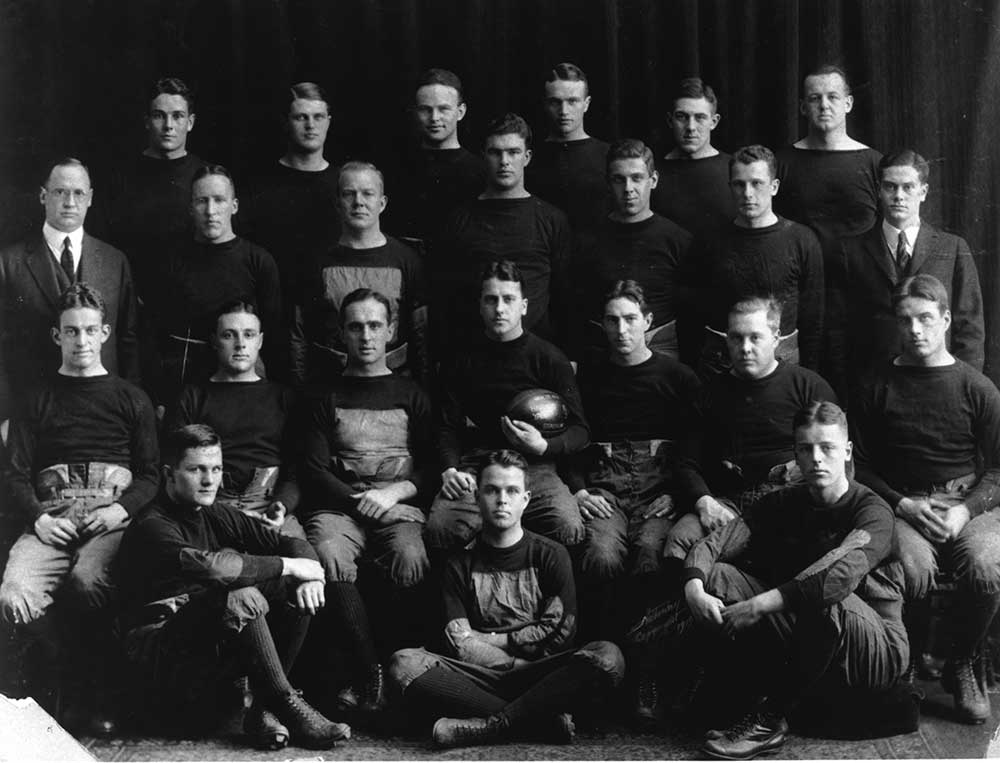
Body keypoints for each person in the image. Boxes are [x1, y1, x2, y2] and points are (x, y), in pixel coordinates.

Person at [681, 401, 907, 759]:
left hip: (877, 650)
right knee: (720, 576)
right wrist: (694, 589)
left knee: (825, 596)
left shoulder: (872, 511)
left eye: (827, 448)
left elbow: (835, 579)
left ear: (847, 451)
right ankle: (739, 692)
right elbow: (716, 544)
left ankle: (769, 722)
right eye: (806, 449)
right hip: (812, 633)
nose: (817, 458)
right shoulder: (784, 501)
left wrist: (758, 605)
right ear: (796, 455)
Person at [115, 424, 351, 750]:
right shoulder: (152, 524)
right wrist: (290, 565)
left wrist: (310, 574)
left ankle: (264, 709)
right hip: (159, 658)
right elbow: (216, 569)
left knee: (289, 584)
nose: (210, 480)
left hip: (201, 651)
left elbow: (287, 542)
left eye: (216, 469)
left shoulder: (214, 513)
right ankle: (287, 705)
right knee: (240, 594)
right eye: (196, 470)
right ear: (169, 474)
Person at [0, 283, 158, 735]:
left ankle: (99, 694)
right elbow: (14, 473)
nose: (82, 341)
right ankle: (62, 686)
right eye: (71, 331)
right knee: (15, 593)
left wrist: (119, 511)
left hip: (109, 521)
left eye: (90, 330)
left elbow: (151, 474)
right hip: (51, 520)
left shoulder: (131, 398)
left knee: (88, 582)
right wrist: (38, 519)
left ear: (105, 332)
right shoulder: (37, 398)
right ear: (57, 336)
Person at [388, 449, 625, 749]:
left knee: (608, 655)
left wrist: (492, 640)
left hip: (541, 671)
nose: (502, 500)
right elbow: (460, 644)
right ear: (477, 498)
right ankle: (537, 722)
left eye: (512, 491)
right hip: (480, 676)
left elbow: (560, 634)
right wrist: (510, 658)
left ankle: (494, 724)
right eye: (492, 490)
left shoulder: (551, 554)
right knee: (404, 663)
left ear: (525, 499)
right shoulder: (458, 563)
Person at [853, 274, 1000, 724]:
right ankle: (911, 660)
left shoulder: (977, 388)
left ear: (947, 320)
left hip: (963, 503)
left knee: (986, 565)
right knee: (911, 567)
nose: (915, 330)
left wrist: (966, 511)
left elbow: (999, 468)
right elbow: (858, 466)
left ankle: (962, 659)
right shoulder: (875, 384)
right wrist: (903, 505)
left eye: (925, 318)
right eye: (905, 320)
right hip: (903, 504)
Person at [569, 281, 702, 718]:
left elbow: (694, 447)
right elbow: (571, 440)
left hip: (659, 489)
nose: (622, 329)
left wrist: (678, 495)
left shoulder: (678, 378)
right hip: (603, 487)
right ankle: (603, 669)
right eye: (612, 320)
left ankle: (648, 673)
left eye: (630, 319)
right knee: (602, 554)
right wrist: (579, 490)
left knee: (650, 553)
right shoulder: (588, 377)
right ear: (602, 326)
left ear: (648, 322)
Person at [299, 288, 434, 713]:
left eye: (375, 325)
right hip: (339, 508)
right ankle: (365, 672)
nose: (366, 335)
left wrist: (392, 494)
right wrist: (364, 503)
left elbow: (431, 466)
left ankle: (400, 675)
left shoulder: (413, 393)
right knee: (328, 552)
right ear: (342, 333)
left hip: (399, 507)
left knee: (410, 554)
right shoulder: (322, 394)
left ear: (391, 330)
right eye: (356, 326)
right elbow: (314, 470)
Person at [427, 260, 588, 553]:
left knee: (567, 524)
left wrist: (544, 446)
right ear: (480, 306)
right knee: (441, 526)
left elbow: (580, 431)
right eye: (491, 300)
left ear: (523, 306)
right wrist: (449, 469)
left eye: (508, 299)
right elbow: (446, 426)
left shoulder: (550, 358)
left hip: (535, 466)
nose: (499, 308)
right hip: (477, 464)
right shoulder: (460, 359)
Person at [664, 296, 837, 567]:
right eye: (736, 338)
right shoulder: (707, 393)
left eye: (755, 338)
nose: (745, 348)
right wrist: (705, 503)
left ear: (776, 338)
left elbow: (835, 458)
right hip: (727, 503)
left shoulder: (809, 387)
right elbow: (685, 462)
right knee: (679, 541)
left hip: (790, 498)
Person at [831, 149, 984, 399]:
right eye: (890, 187)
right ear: (879, 190)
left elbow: (970, 328)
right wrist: (845, 394)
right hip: (873, 389)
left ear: (923, 192)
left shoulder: (953, 248)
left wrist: (963, 389)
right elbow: (837, 332)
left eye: (908, 187)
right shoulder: (850, 251)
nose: (898, 196)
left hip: (939, 385)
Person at [0, 158, 139, 422]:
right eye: (60, 192)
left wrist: (133, 407)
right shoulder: (8, 263)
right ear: (43, 196)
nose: (70, 202)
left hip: (105, 411)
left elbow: (129, 341)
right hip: (33, 414)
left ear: (90, 198)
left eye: (78, 193)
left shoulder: (114, 261)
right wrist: (5, 415)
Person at [773, 65, 881, 380]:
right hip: (798, 295)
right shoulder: (782, 162)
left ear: (848, 103)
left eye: (832, 97)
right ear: (802, 107)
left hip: (859, 296)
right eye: (814, 98)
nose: (824, 105)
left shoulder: (873, 163)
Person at [147, 164, 282, 409]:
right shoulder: (171, 262)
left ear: (234, 206)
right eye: (202, 201)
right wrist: (159, 398)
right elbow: (154, 335)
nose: (211, 211)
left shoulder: (258, 261)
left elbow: (273, 337)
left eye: (219, 200)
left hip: (242, 383)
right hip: (184, 384)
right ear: (191, 208)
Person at [434, 113, 572, 352]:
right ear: (483, 156)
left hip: (535, 354)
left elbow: (565, 298)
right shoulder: (459, 219)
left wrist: (567, 355)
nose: (504, 161)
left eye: (513, 152)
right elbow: (445, 299)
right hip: (474, 354)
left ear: (527, 157)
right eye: (495, 152)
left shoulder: (551, 219)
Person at [165, 301, 303, 537]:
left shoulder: (282, 397)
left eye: (248, 335)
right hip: (208, 508)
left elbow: (296, 470)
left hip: (270, 509)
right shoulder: (192, 396)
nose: (240, 344)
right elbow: (175, 466)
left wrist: (281, 506)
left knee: (302, 557)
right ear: (215, 341)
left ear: (260, 341)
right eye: (229, 335)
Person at [291, 161, 429, 387]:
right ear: (337, 203)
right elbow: (299, 335)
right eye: (349, 194)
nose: (359, 202)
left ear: (382, 203)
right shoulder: (316, 263)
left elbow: (421, 336)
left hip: (394, 385)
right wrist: (299, 391)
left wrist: (423, 392)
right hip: (332, 386)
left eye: (368, 193)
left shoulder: (407, 260)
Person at [690, 145, 824, 375]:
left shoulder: (801, 240)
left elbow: (813, 319)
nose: (748, 193)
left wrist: (808, 376)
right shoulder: (710, 240)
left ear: (774, 187)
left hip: (783, 363)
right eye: (739, 184)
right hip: (721, 364)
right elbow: (694, 312)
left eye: (757, 183)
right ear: (730, 187)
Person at [574, 139, 693, 362]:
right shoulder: (587, 240)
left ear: (653, 180)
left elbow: (690, 311)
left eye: (637, 178)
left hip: (662, 348)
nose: (628, 189)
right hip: (605, 348)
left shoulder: (678, 240)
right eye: (619, 180)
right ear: (608, 183)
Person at [106, 77, 207, 293]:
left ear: (190, 122)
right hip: (128, 292)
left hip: (193, 294)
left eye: (177, 116)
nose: (168, 125)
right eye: (159, 115)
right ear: (147, 121)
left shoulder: (205, 176)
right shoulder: (121, 176)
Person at [242, 82, 340, 299]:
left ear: (329, 121)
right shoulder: (259, 184)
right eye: (301, 117)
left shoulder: (343, 184)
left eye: (318, 117)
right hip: (271, 300)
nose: (311, 125)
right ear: (286, 122)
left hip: (331, 303)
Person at [382, 68, 486, 245]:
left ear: (461, 112)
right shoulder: (395, 167)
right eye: (425, 109)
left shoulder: (481, 172)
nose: (434, 118)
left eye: (443, 109)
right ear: (415, 112)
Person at [525, 62, 610, 231]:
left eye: (572, 101)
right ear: (545, 104)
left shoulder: (608, 155)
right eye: (555, 102)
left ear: (586, 104)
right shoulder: (529, 157)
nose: (564, 111)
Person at [651, 77, 736, 240]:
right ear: (670, 120)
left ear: (714, 122)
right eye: (682, 117)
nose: (690, 127)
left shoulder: (734, 169)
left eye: (700, 117)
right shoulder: (652, 172)